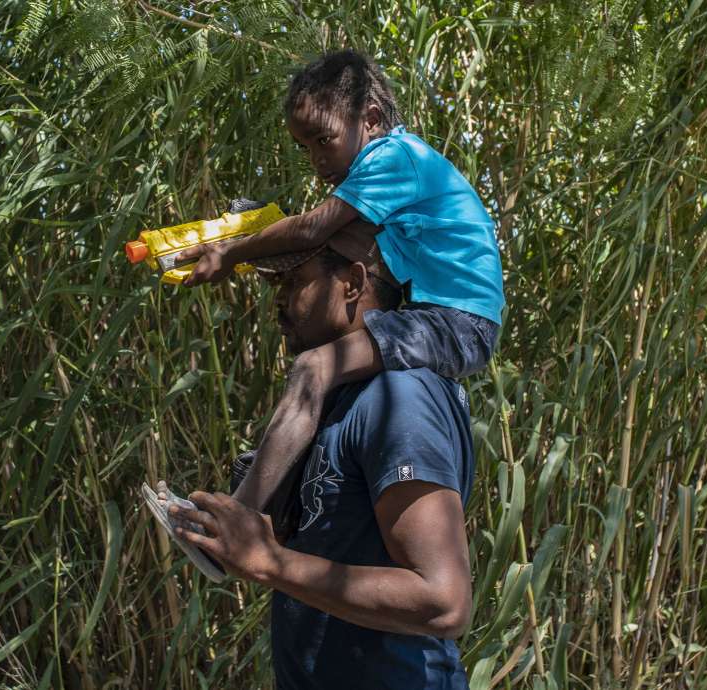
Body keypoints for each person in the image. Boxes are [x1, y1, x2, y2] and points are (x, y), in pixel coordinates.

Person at [171, 49, 502, 523]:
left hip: (455, 320)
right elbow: (323, 242)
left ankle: (238, 520)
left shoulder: (395, 157)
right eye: (304, 147)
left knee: (314, 369)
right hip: (438, 313)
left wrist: (230, 253)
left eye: (323, 140)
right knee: (332, 380)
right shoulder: (395, 167)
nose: (316, 159)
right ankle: (275, 496)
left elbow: (312, 232)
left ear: (369, 118)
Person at [170, 225, 476, 688]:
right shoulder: (336, 400)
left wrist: (270, 561)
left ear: (352, 284)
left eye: (295, 281)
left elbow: (444, 602)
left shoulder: (400, 399)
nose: (279, 300)